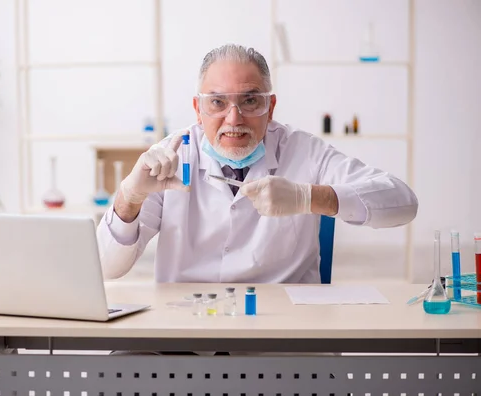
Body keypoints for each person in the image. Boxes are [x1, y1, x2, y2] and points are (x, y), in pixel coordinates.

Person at [96, 44, 418, 284]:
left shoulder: (304, 151)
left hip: (282, 336)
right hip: (187, 333)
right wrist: (130, 197)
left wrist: (310, 197)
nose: (233, 118)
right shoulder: (172, 155)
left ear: (270, 106)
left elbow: (403, 203)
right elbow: (108, 267)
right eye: (217, 102)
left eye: (250, 101)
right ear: (198, 108)